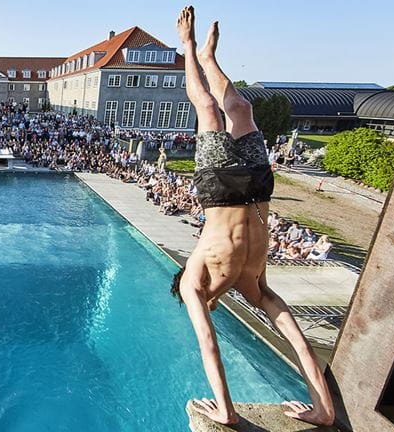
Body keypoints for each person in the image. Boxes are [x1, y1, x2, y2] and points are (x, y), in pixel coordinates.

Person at [170, 7, 334, 426]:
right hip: (259, 191)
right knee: (240, 109)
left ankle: (191, 51)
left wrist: (225, 411)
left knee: (208, 108)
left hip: (221, 193)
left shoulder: (192, 281)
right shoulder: (256, 284)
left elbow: (207, 341)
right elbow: (294, 337)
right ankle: (205, 58)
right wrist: (325, 412)